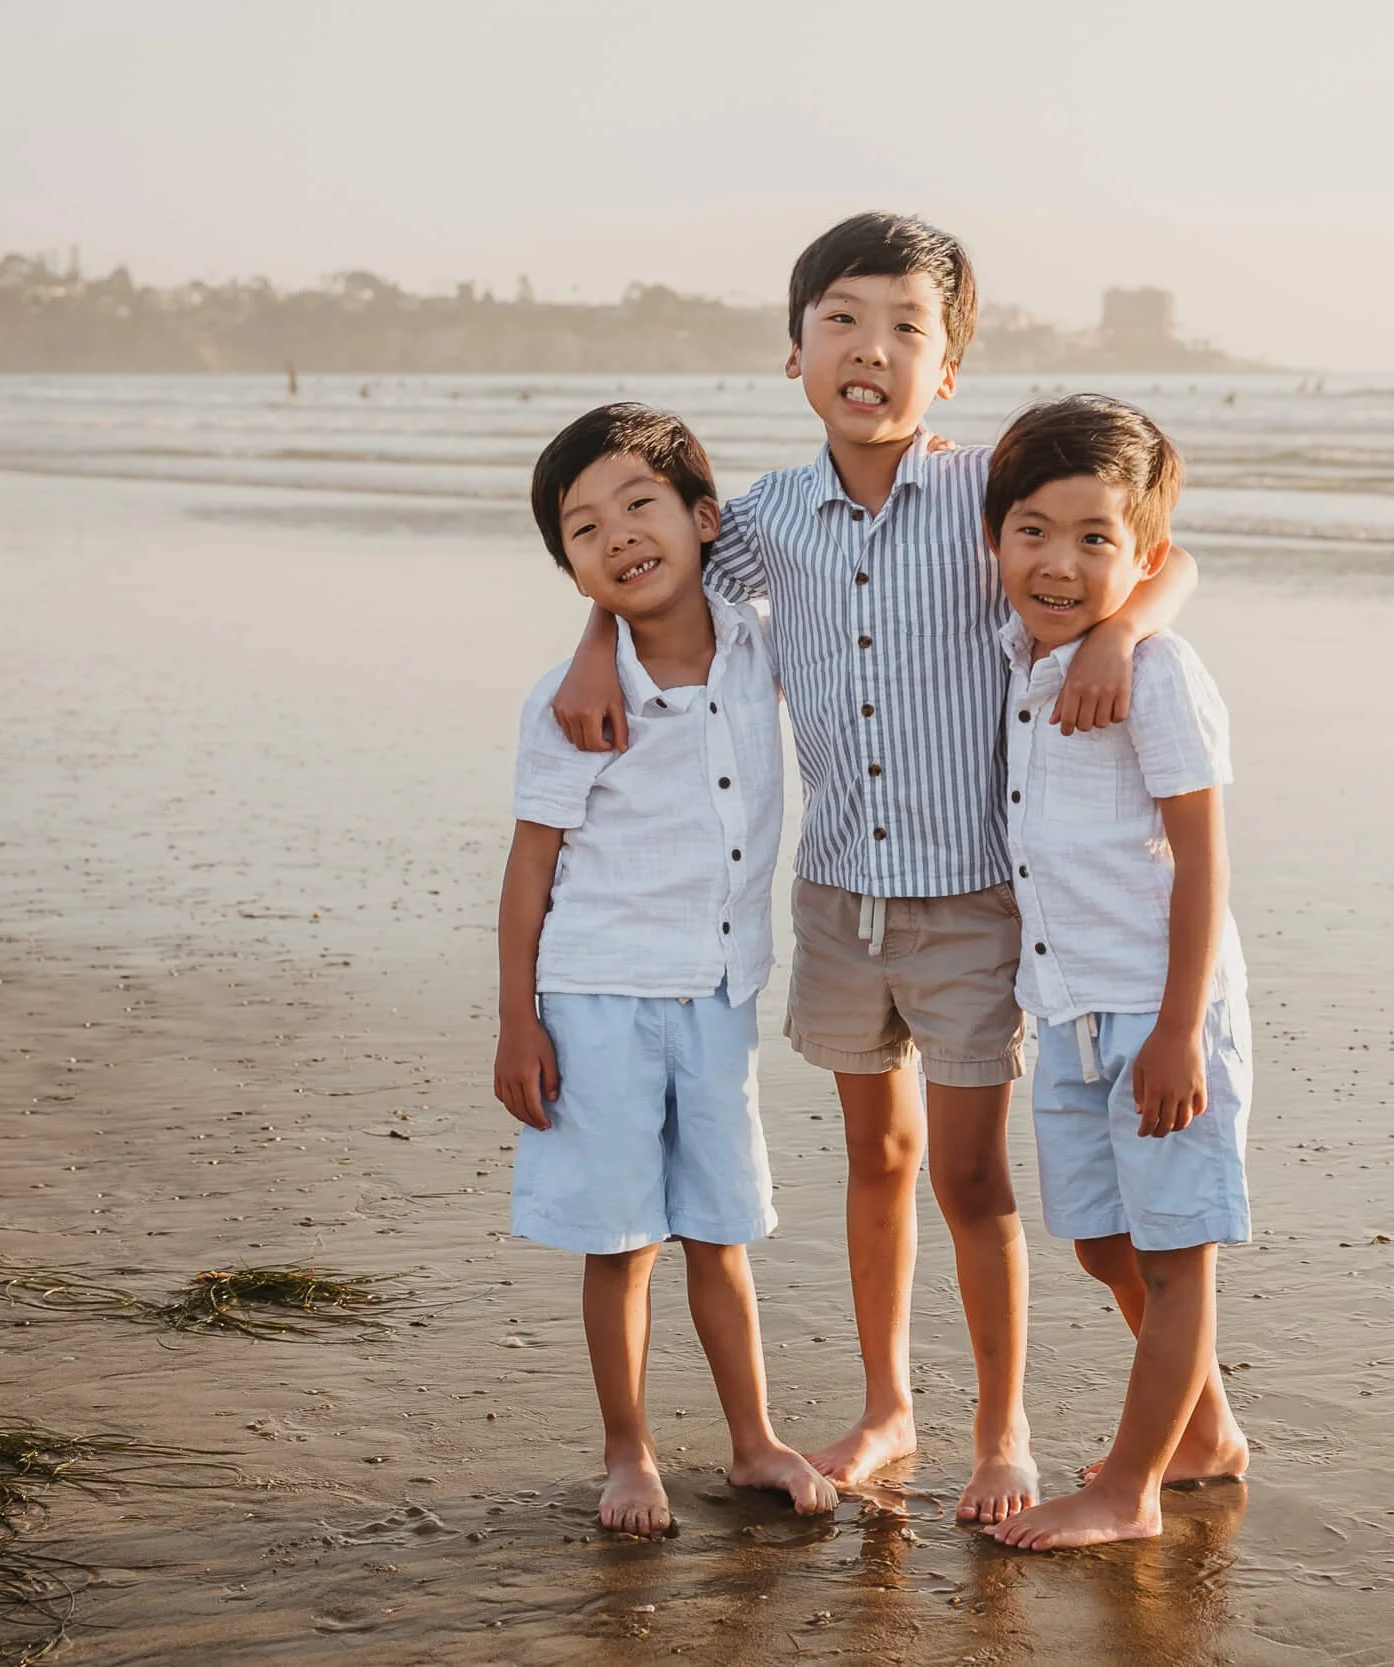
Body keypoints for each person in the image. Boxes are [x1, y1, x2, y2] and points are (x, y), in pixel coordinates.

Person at [550, 212, 1200, 1525]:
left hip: (970, 901)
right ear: (794, 354)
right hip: (839, 896)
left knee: (971, 1174)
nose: (873, 347)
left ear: (948, 369)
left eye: (910, 327)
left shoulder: (983, 496)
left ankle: (1002, 1430)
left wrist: (1121, 632)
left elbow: (1166, 548)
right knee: (876, 1155)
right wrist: (588, 638)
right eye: (843, 319)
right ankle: (887, 1402)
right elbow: (650, 563)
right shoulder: (769, 518)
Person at [493, 403, 837, 1537]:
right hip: (597, 995)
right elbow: (529, 865)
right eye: (583, 529)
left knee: (721, 1229)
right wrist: (517, 1021)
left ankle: (752, 1438)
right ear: (572, 568)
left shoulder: (760, 644)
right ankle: (628, 1450)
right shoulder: (573, 698)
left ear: (699, 517)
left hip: (720, 988)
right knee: (622, 1239)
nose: (619, 536)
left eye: (638, 504)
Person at [976, 395, 1254, 1551]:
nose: (1058, 561)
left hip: (1157, 1008)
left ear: (1139, 560)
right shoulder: (1014, 655)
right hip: (1068, 1005)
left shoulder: (1159, 670)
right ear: (994, 538)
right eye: (1033, 530)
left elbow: (1202, 860)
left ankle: (1133, 1488)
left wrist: (1180, 1029)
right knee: (1100, 1242)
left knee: (1175, 1253)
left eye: (1096, 539)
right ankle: (1205, 1434)